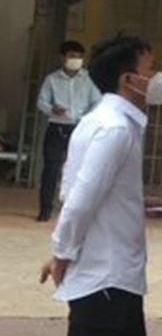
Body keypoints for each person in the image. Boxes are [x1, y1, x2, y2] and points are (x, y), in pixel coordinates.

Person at [39, 36, 162, 336]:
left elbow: (82, 191)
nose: (159, 78)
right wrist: (61, 253)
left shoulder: (99, 121)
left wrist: (135, 203)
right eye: (152, 69)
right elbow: (79, 200)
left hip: (96, 278)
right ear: (129, 80)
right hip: (109, 279)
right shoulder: (115, 129)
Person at [35, 40, 102, 221]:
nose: (76, 60)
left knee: (79, 169)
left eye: (79, 57)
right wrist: (52, 109)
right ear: (62, 57)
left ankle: (74, 209)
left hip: (80, 128)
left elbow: (97, 101)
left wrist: (87, 118)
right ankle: (45, 209)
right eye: (72, 56)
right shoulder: (52, 79)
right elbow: (41, 102)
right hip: (57, 127)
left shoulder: (88, 79)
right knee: (51, 168)